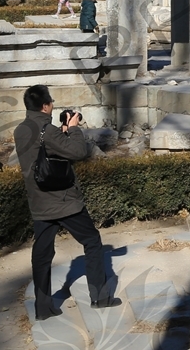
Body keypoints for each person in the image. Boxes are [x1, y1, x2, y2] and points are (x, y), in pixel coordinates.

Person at [14, 83, 117, 319]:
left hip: (39, 203)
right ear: (45, 105)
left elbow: (47, 151)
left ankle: (43, 308)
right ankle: (100, 297)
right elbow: (78, 152)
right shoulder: (47, 131)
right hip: (63, 201)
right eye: (50, 102)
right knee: (92, 240)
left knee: (41, 255)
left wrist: (61, 130)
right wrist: (73, 128)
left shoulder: (21, 130)